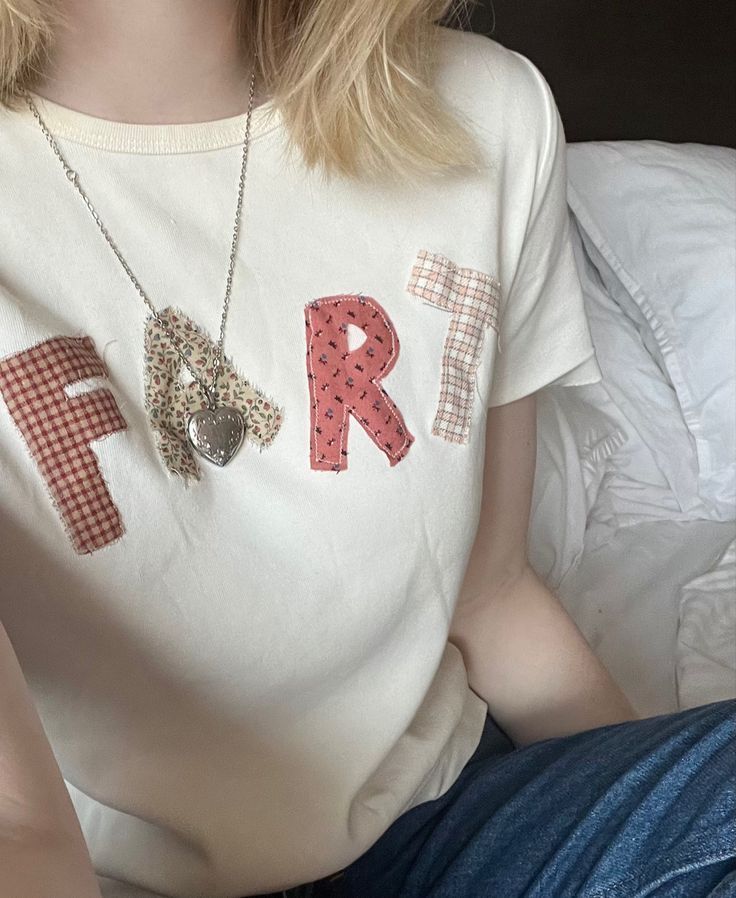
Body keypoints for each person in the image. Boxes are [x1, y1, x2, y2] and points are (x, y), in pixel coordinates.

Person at [0, 2, 733, 897]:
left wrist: (648, 816)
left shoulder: (484, 112)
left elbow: (491, 594)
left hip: (449, 822)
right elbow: (20, 828)